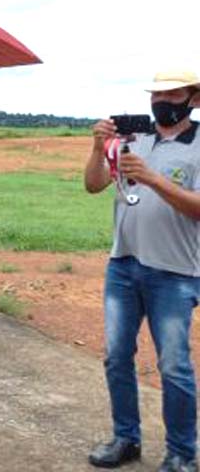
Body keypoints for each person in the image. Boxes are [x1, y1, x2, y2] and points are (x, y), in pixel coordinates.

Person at [84, 71, 200, 472]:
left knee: (173, 365)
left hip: (175, 271)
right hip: (123, 263)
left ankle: (182, 453)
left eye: (173, 93)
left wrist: (152, 178)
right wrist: (99, 148)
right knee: (116, 357)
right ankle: (126, 438)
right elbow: (94, 185)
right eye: (157, 93)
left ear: (193, 99)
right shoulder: (134, 139)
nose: (162, 100)